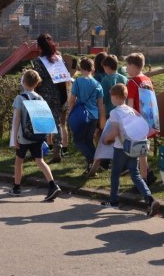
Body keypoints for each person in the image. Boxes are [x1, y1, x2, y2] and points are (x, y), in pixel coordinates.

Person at [101, 84, 160, 216]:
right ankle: (149, 199)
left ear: (115, 97)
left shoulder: (114, 112)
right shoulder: (131, 110)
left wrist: (106, 139)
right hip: (133, 147)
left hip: (120, 148)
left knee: (115, 174)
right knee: (136, 174)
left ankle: (114, 200)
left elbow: (115, 132)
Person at [9, 69, 62, 201]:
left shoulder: (20, 98)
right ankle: (52, 185)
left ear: (23, 81)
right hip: (37, 136)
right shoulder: (40, 98)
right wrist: (48, 136)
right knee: (40, 161)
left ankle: (16, 187)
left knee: (19, 161)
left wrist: (14, 137)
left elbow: (16, 119)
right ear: (36, 83)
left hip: (23, 137)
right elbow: (45, 118)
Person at [32, 33, 67, 162]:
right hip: (58, 94)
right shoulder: (58, 58)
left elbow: (39, 80)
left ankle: (39, 150)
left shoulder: (38, 60)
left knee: (41, 123)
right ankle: (57, 151)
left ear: (39, 46)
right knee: (57, 123)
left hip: (44, 95)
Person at [68, 57, 105, 172]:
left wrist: (71, 112)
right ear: (92, 68)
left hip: (81, 116)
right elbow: (100, 104)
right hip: (94, 116)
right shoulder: (98, 84)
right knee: (88, 140)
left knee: (78, 141)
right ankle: (95, 164)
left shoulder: (78, 82)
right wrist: (101, 119)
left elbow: (72, 100)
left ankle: (93, 160)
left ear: (80, 68)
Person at [126, 53, 157, 185]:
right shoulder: (146, 79)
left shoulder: (132, 82)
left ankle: (143, 180)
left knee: (141, 152)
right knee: (143, 149)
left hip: (137, 121)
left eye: (127, 66)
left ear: (133, 66)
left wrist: (127, 122)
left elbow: (130, 105)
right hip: (149, 119)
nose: (126, 69)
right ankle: (149, 173)